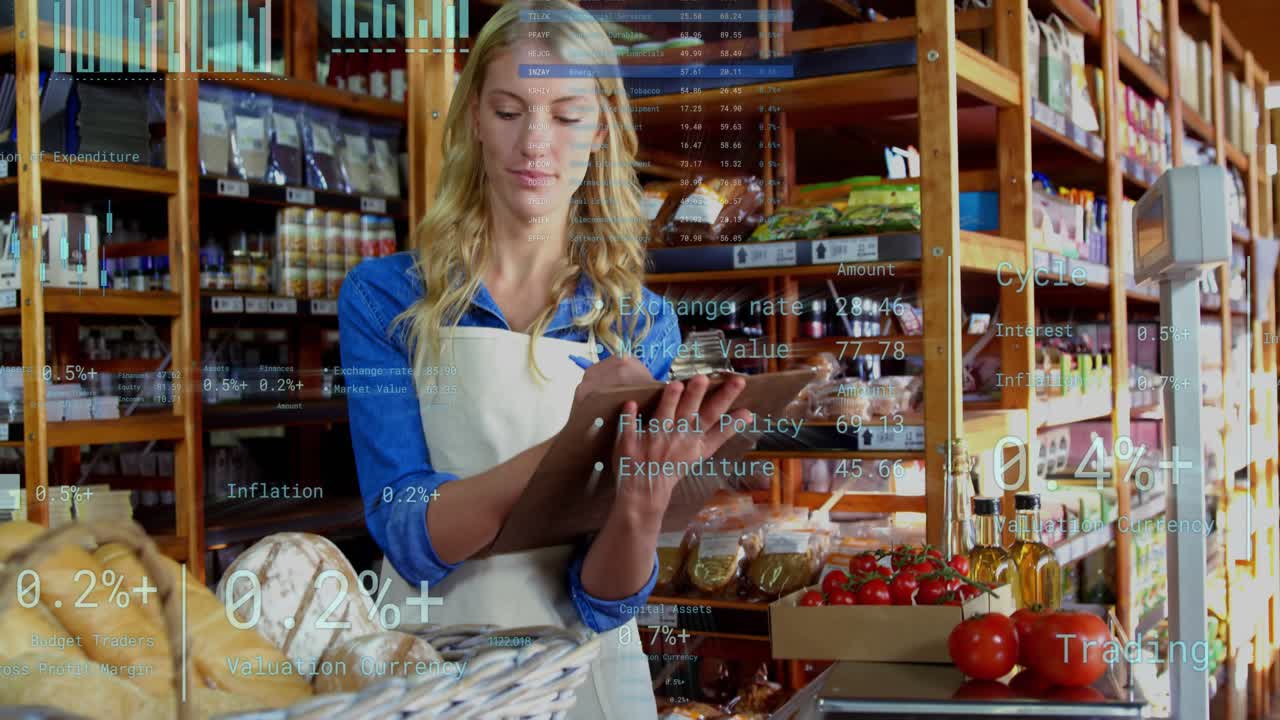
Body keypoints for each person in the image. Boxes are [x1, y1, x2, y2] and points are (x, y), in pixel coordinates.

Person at [337, 1, 749, 717]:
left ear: (601, 128)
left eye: (565, 115)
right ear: (471, 118)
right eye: (508, 110)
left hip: (585, 678)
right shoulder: (385, 299)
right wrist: (581, 444)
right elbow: (411, 533)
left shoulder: (640, 322)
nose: (536, 143)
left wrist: (640, 510)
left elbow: (604, 600)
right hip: (435, 672)